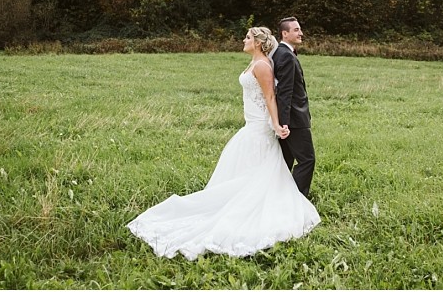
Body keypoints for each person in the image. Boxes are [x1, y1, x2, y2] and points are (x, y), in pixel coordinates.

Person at [127, 27, 320, 260]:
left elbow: (270, 97)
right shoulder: (255, 62)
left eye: (248, 37)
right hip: (251, 124)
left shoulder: (262, 65)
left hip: (260, 127)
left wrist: (277, 125)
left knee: (260, 171)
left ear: (258, 43)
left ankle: (257, 204)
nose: (243, 40)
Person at [272, 17, 315, 198]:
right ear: (285, 33)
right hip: (294, 120)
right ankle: (295, 200)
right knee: (307, 160)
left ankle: (278, 195)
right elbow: (285, 92)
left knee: (285, 161)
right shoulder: (286, 56)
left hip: (288, 119)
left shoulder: (280, 53)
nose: (301, 33)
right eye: (296, 30)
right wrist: (285, 123)